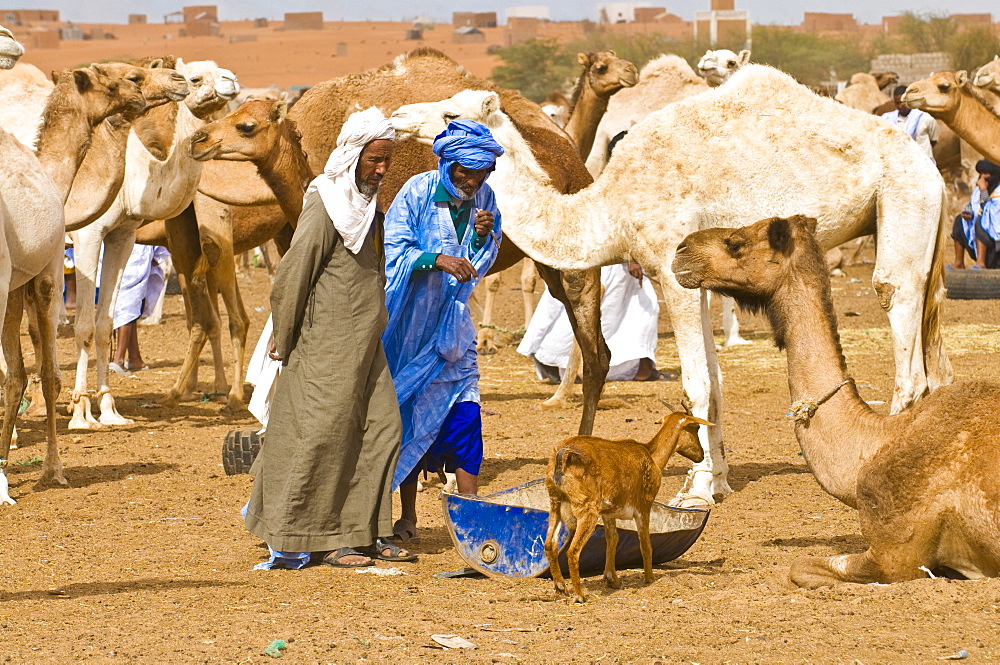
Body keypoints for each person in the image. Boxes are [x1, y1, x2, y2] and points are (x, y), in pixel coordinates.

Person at [243, 107, 415, 570]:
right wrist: (284, 330)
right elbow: (293, 273)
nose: (381, 169)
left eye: (387, 161)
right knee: (326, 435)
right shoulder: (326, 202)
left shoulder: (365, 207)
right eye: (375, 160)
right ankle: (323, 536)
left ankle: (368, 530)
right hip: (327, 343)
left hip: (365, 341)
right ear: (353, 154)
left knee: (383, 429)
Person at [381, 120, 504, 544]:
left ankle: (469, 520)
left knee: (466, 418)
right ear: (446, 164)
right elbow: (393, 250)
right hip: (410, 329)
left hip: (454, 328)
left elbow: (479, 260)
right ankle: (407, 516)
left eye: (481, 172)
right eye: (465, 172)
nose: (472, 181)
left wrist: (483, 237)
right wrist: (437, 259)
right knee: (411, 418)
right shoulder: (416, 192)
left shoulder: (483, 197)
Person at [518, 262, 668, 382]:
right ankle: (551, 358)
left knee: (643, 306)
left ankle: (642, 364)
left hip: (613, 254)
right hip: (608, 254)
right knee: (595, 309)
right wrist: (632, 258)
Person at [110, 244, 170, 374]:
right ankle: (127, 358)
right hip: (131, 246)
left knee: (129, 299)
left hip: (131, 247)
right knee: (129, 300)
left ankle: (126, 358)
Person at [951, 159, 1000, 270]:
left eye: (985, 174)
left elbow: (988, 211)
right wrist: (968, 212)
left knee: (982, 221)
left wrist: (983, 190)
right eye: (980, 174)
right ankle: (959, 263)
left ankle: (981, 263)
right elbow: (973, 204)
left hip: (995, 241)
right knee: (959, 221)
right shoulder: (979, 190)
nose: (982, 178)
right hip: (980, 238)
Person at [881, 85, 938, 162]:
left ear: (909, 100)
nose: (900, 106)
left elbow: (933, 140)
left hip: (923, 163)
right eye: (897, 103)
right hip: (899, 162)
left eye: (903, 102)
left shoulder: (925, 118)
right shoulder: (887, 119)